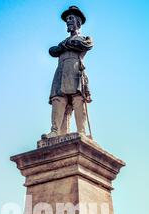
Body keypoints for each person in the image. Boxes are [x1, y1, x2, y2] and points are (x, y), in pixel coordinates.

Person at [45, 6, 93, 138]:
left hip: (75, 69)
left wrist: (63, 47)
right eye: (67, 19)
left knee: (78, 98)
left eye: (70, 18)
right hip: (61, 72)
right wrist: (64, 46)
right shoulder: (63, 42)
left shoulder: (84, 39)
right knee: (58, 99)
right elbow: (52, 51)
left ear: (78, 21)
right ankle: (55, 131)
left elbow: (85, 45)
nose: (68, 21)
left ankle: (81, 131)